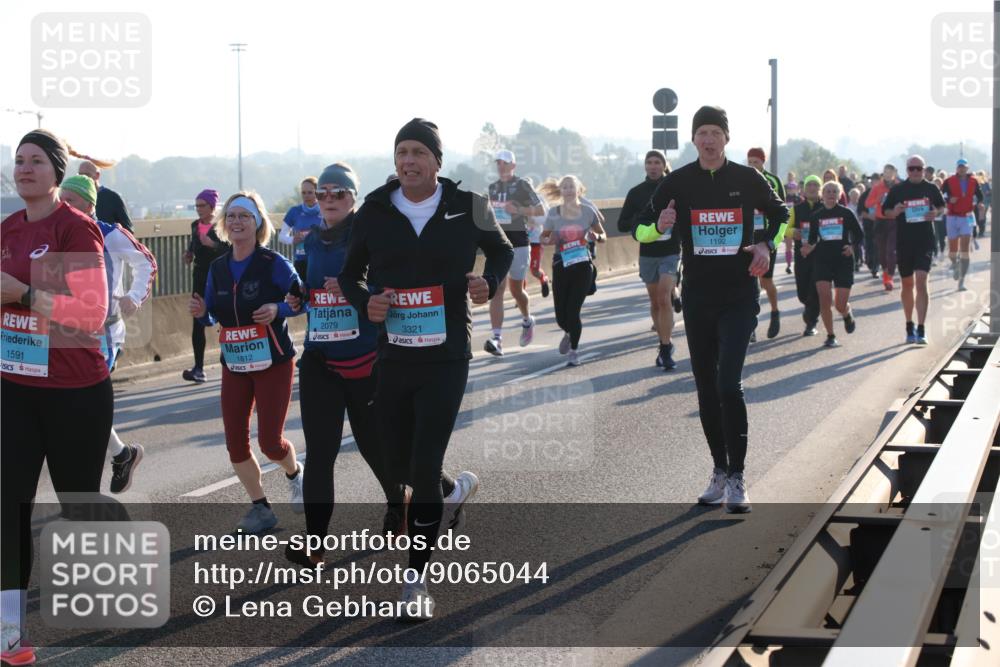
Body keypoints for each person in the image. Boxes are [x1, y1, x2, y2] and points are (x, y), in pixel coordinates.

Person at [339, 118, 513, 619]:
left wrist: (490, 281)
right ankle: (454, 490)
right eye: (402, 153)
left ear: (438, 160)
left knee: (421, 464)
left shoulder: (469, 203)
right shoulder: (373, 210)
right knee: (398, 468)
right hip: (393, 355)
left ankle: (415, 581)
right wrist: (364, 301)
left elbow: (501, 249)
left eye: (418, 152)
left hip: (446, 355)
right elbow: (350, 276)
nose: (409, 161)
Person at [635, 106, 787, 514]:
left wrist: (765, 245)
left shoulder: (747, 178)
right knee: (705, 388)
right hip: (699, 298)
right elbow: (639, 227)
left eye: (715, 132)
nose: (708, 139)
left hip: (739, 296)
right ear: (693, 138)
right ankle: (718, 471)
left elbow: (783, 215)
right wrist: (661, 227)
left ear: (726, 138)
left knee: (727, 385)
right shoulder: (678, 181)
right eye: (701, 132)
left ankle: (738, 477)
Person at [2, 130, 113, 667]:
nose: (24, 169)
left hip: (75, 391)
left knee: (76, 507)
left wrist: (21, 292)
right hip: (15, 389)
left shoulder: (74, 227)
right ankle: (9, 636)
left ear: (56, 171)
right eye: (18, 161)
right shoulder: (6, 230)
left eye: (35, 161)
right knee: (8, 508)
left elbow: (89, 317)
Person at [281, 163, 404, 568]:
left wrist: (354, 289)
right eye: (324, 193)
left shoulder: (368, 236)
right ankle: (315, 541)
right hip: (320, 358)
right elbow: (307, 284)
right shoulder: (313, 239)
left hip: (366, 359)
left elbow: (390, 290)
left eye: (339, 193)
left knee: (373, 446)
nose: (329, 199)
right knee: (320, 451)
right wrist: (300, 298)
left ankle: (397, 501)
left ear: (354, 198)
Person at [188, 191, 304, 533]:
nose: (237, 222)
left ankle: (295, 474)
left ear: (258, 224)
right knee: (235, 442)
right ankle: (261, 508)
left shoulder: (274, 264)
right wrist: (202, 314)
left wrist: (277, 309)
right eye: (232, 216)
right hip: (235, 363)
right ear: (224, 225)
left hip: (274, 362)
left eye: (245, 216)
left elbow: (304, 300)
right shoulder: (218, 268)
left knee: (270, 442)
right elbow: (210, 314)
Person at [58, 174, 158, 494]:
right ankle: (121, 455)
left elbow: (146, 263)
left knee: (82, 404)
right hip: (65, 332)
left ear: (89, 204)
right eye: (61, 200)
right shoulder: (54, 232)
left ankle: (87, 488)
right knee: (73, 407)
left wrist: (134, 295)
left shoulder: (109, 234)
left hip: (104, 332)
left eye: (70, 200)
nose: (63, 206)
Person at [621, 150, 680, 369]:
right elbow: (622, 223)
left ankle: (665, 349)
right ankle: (664, 341)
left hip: (671, 251)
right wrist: (645, 220)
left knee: (664, 298)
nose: (653, 166)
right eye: (649, 162)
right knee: (655, 301)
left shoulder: (674, 190)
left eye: (657, 162)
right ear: (645, 166)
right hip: (648, 253)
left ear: (664, 166)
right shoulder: (636, 193)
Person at [540, 176, 608, 367]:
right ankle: (569, 332)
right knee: (561, 316)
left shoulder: (587, 211)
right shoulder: (554, 213)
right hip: (561, 265)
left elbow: (603, 235)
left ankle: (574, 350)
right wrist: (549, 240)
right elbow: (543, 237)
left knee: (573, 310)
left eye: (572, 186)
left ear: (578, 190)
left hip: (582, 265)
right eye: (565, 187)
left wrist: (597, 236)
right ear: (560, 191)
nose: (568, 190)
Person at [483, 150, 544, 356]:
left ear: (513, 166)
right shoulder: (493, 188)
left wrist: (518, 210)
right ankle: (497, 338)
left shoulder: (522, 185)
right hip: (499, 245)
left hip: (519, 243)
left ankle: (527, 319)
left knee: (516, 290)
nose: (501, 166)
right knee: (497, 290)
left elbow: (540, 210)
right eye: (498, 163)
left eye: (505, 163)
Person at [883, 155, 946, 344]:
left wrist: (936, 213)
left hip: (925, 240)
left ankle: (922, 328)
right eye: (912, 169)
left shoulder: (931, 187)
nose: (916, 172)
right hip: (904, 242)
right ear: (907, 170)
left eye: (919, 168)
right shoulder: (898, 189)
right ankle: (909, 324)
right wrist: (895, 211)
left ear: (924, 169)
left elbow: (942, 207)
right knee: (908, 284)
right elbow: (885, 210)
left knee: (921, 280)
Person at [801, 181, 862, 348]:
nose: (830, 194)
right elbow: (813, 239)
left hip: (843, 260)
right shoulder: (816, 216)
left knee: (840, 303)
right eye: (827, 191)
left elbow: (859, 235)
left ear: (839, 194)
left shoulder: (846, 213)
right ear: (823, 193)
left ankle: (847, 313)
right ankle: (830, 335)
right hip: (822, 260)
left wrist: (852, 247)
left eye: (834, 191)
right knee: (825, 299)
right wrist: (807, 247)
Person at [182, 189, 229, 383]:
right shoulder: (195, 225)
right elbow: (194, 246)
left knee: (226, 319)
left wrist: (213, 245)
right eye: (197, 206)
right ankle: (198, 368)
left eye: (202, 205)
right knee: (197, 322)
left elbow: (230, 249)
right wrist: (189, 254)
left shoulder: (222, 226)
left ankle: (230, 359)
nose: (199, 209)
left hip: (219, 278)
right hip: (199, 278)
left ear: (212, 206)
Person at [746, 147, 788, 340]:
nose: (753, 166)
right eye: (750, 162)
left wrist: (773, 238)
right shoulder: (742, 179)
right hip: (749, 236)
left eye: (756, 162)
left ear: (763, 162)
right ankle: (750, 325)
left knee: (766, 281)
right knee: (750, 281)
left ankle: (774, 311)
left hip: (768, 237)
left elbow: (781, 210)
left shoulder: (772, 181)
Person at [941, 159, 985, 292]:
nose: (961, 169)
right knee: (953, 252)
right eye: (959, 167)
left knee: (965, 250)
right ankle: (955, 264)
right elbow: (941, 195)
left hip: (966, 216)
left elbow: (980, 195)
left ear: (967, 168)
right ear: (956, 168)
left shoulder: (973, 181)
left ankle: (961, 282)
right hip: (952, 217)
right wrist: (949, 199)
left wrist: (979, 203)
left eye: (964, 167)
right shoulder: (949, 181)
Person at [790, 175, 823, 335]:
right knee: (803, 291)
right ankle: (808, 307)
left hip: (821, 256)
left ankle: (811, 322)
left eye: (815, 185)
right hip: (801, 254)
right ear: (803, 189)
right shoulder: (796, 209)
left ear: (819, 188)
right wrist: (792, 231)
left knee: (815, 289)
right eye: (809, 184)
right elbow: (784, 229)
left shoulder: (826, 207)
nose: (812, 188)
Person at [278, 177, 322, 279]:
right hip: (301, 262)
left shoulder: (325, 210)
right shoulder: (294, 211)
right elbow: (281, 236)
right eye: (303, 193)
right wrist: (293, 239)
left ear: (317, 192)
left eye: (310, 192)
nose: (306, 196)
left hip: (320, 260)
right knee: (301, 293)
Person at [865, 164, 900, 291]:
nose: (888, 174)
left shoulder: (898, 187)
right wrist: (877, 200)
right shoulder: (877, 187)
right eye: (886, 172)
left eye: (890, 172)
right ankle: (886, 276)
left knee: (891, 251)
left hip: (894, 221)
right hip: (880, 222)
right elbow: (867, 203)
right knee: (882, 252)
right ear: (883, 174)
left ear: (894, 173)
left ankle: (889, 277)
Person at [78, 159, 133, 233]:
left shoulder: (112, 197)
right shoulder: (75, 198)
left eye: (87, 175)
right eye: (80, 175)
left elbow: (128, 230)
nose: (83, 178)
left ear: (97, 175)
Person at [525, 177, 551, 298]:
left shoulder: (539, 200)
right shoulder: (517, 201)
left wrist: (532, 219)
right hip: (522, 241)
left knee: (534, 270)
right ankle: (521, 295)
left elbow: (546, 218)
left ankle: (543, 279)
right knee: (520, 270)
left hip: (536, 240)